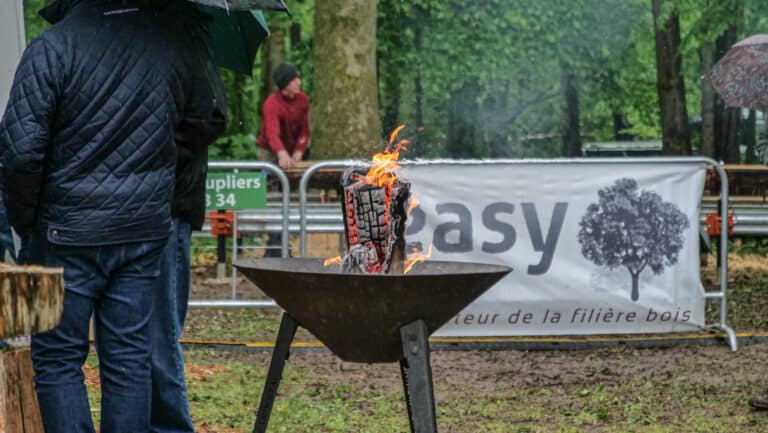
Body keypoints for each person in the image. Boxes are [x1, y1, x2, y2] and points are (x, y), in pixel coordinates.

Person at [0, 1, 218, 431]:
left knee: (57, 358)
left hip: (60, 232)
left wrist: (27, 226)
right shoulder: (168, 44)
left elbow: (19, 151)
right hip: (142, 230)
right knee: (129, 356)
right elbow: (205, 119)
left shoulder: (51, 46)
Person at [149, 13, 228, 433]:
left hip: (172, 201)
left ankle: (170, 424)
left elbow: (213, 116)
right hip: (140, 202)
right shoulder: (141, 41)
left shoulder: (190, 41)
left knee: (162, 325)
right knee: (139, 325)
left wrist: (154, 141)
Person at [257, 63, 310, 257]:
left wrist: (299, 150)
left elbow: (305, 129)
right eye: (294, 79)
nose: (298, 82)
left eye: (298, 78)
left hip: (291, 153)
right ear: (284, 84)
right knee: (273, 198)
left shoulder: (303, 100)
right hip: (270, 153)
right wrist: (280, 153)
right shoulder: (272, 104)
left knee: (290, 197)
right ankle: (274, 246)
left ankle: (284, 244)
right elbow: (272, 133)